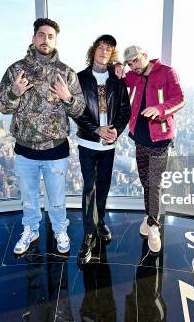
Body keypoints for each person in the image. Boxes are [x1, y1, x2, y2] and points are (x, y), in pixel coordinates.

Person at [0, 18, 86, 255]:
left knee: (56, 197)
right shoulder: (16, 70)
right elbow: (2, 106)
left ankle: (59, 229)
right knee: (28, 197)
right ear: (34, 38)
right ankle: (31, 229)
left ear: (56, 40)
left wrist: (68, 97)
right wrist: (14, 92)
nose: (46, 40)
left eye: (51, 36)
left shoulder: (66, 73)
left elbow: (80, 110)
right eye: (41, 35)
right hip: (25, 148)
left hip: (56, 149)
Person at [118, 45, 185, 253]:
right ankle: (149, 218)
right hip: (140, 139)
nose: (134, 66)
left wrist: (160, 109)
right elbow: (117, 80)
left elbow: (180, 99)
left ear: (145, 56)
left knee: (154, 184)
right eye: (130, 63)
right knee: (146, 181)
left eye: (136, 61)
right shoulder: (133, 75)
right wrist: (117, 67)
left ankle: (154, 226)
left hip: (160, 140)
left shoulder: (166, 72)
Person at [73, 34, 130, 264]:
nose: (104, 51)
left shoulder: (118, 80)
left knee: (104, 186)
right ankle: (88, 234)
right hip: (88, 142)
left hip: (109, 145)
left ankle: (100, 221)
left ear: (112, 54)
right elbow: (76, 111)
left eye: (109, 48)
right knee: (89, 187)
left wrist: (116, 129)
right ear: (93, 50)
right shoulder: (79, 78)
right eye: (101, 46)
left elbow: (125, 110)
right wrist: (96, 129)